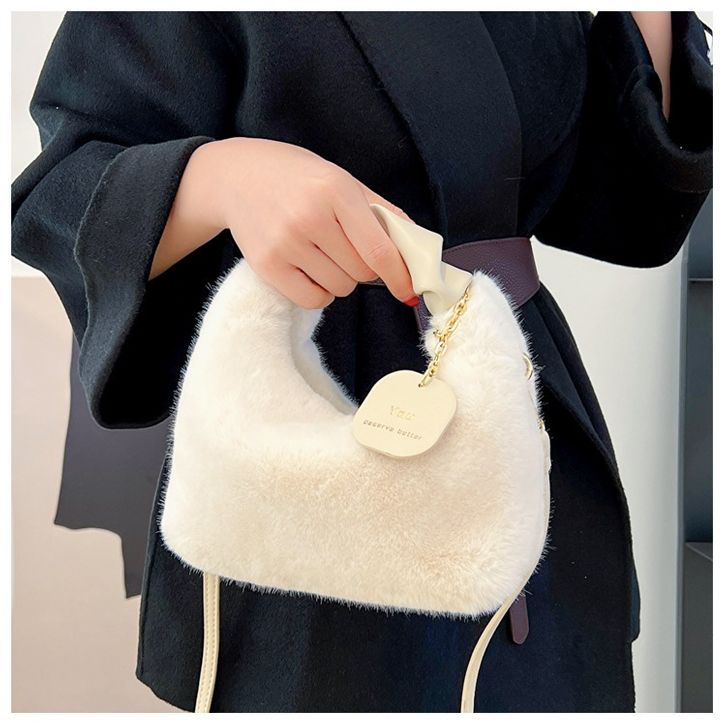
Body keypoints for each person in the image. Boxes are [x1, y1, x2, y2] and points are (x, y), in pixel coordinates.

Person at [11, 11, 712, 712]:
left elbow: (626, 209)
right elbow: (61, 188)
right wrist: (221, 179)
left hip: (519, 418)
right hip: (313, 459)